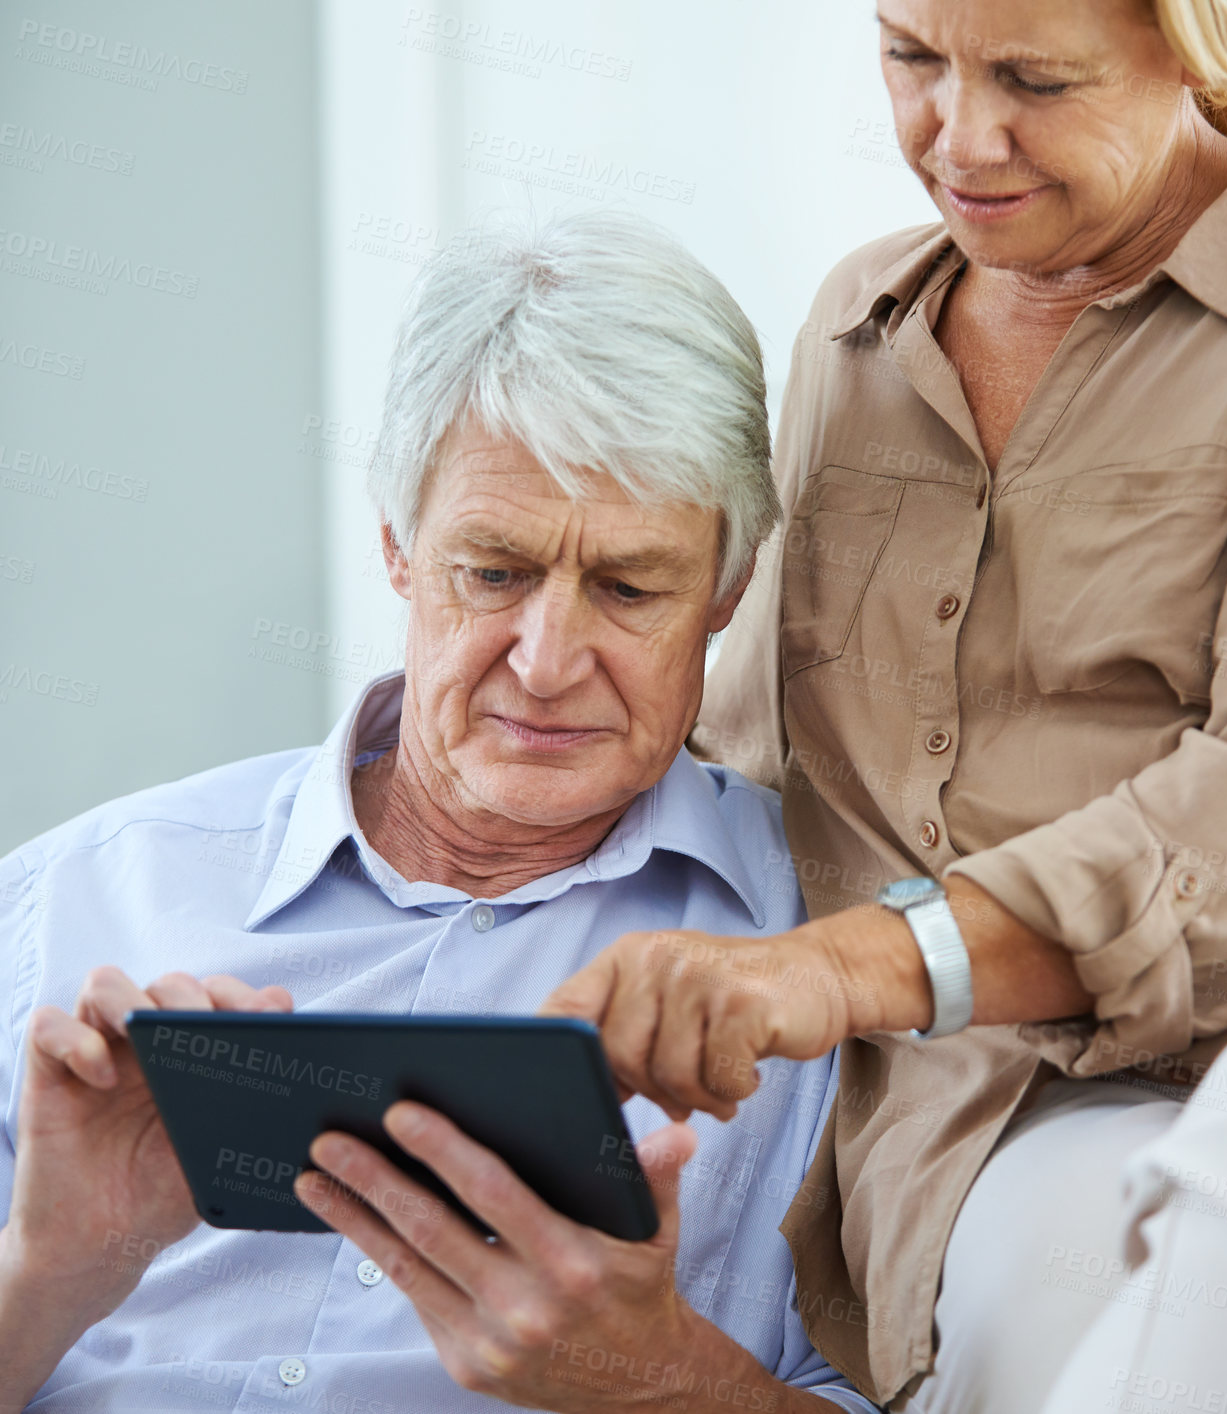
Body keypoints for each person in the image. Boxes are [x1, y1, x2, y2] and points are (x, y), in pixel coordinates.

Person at [540, 1, 1227, 1409]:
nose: (958, 136)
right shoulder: (859, 327)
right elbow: (744, 748)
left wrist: (839, 969)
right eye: (910, 57)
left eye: (1031, 77)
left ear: (1204, 46)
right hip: (948, 1132)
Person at [0, 210, 875, 1413]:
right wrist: (52, 1273)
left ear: (725, 591)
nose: (549, 658)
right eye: (494, 571)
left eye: (628, 586)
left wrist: (665, 1382)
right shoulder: (79, 893)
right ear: (399, 546)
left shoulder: (824, 957)